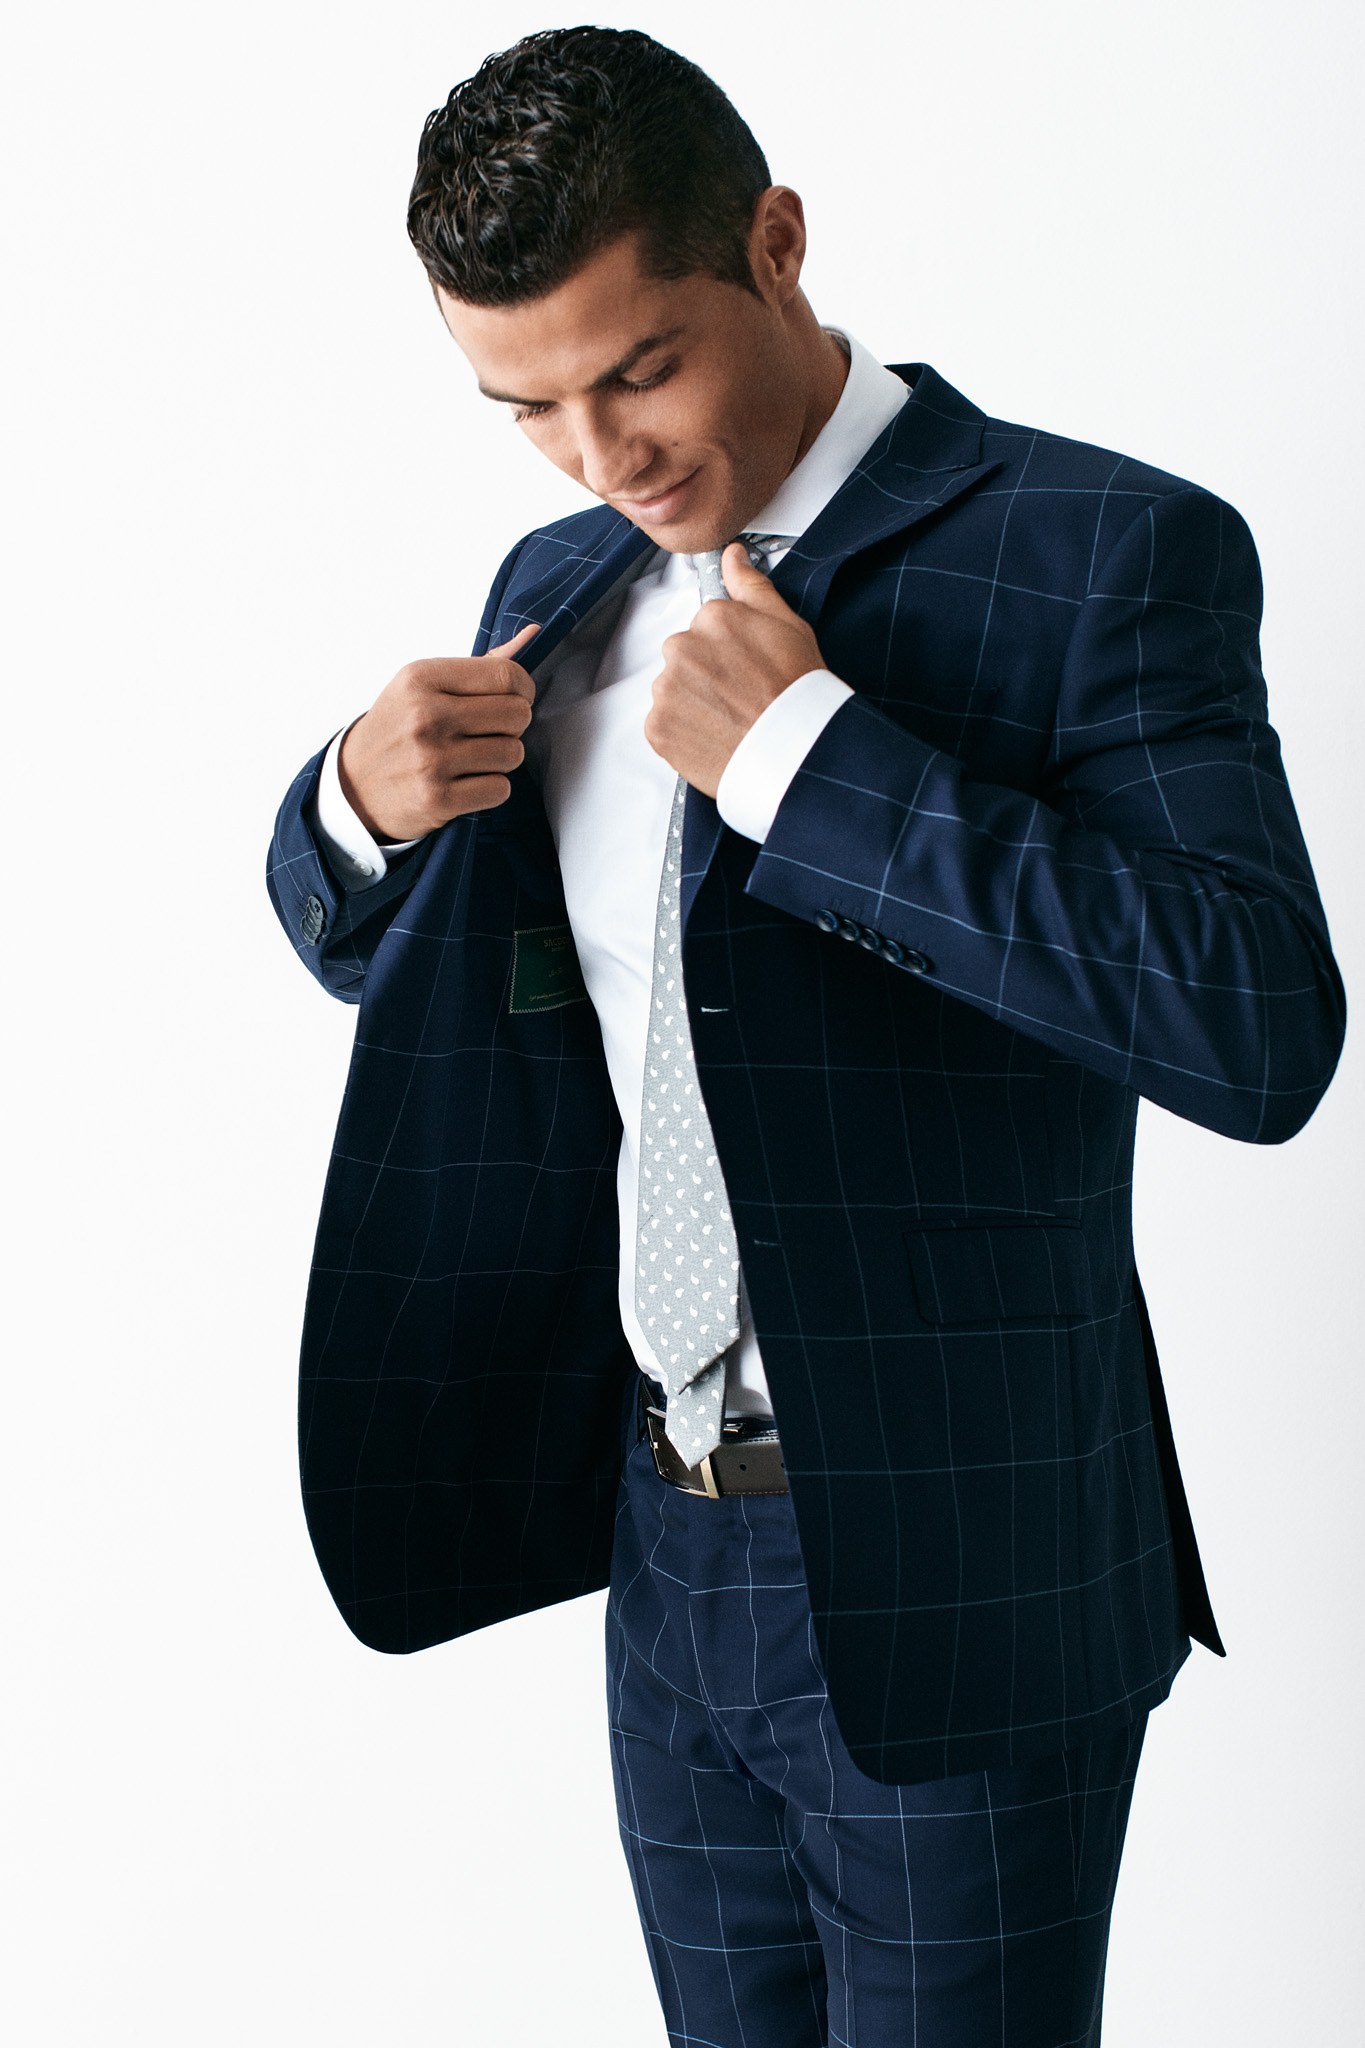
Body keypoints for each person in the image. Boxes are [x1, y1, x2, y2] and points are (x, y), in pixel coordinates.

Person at [267, 25, 1344, 2046]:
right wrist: (347, 811)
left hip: (965, 1570)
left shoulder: (1103, 550)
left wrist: (813, 768)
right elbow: (429, 971)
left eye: (639, 370)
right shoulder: (556, 587)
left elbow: (1252, 1021)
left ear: (771, 243)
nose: (601, 457)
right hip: (660, 1550)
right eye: (528, 407)